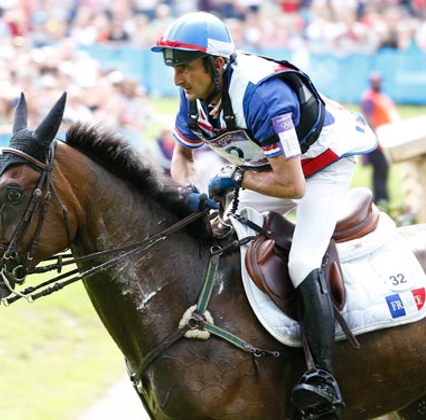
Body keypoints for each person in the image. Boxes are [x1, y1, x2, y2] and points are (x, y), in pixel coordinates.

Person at [151, 11, 377, 419]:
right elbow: (182, 157)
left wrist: (233, 176)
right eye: (174, 69)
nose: (178, 81)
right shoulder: (194, 98)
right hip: (267, 170)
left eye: (185, 69)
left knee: (303, 261)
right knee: (220, 232)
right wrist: (187, 191)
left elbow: (293, 187)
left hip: (319, 166)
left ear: (217, 65)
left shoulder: (262, 96)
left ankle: (323, 378)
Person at [359, 71, 399, 206]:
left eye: (379, 81)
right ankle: (380, 200)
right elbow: (369, 120)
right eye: (375, 81)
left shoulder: (383, 98)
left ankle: (382, 199)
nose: (377, 83)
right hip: (377, 143)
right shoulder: (368, 98)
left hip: (386, 140)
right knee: (379, 173)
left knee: (383, 171)